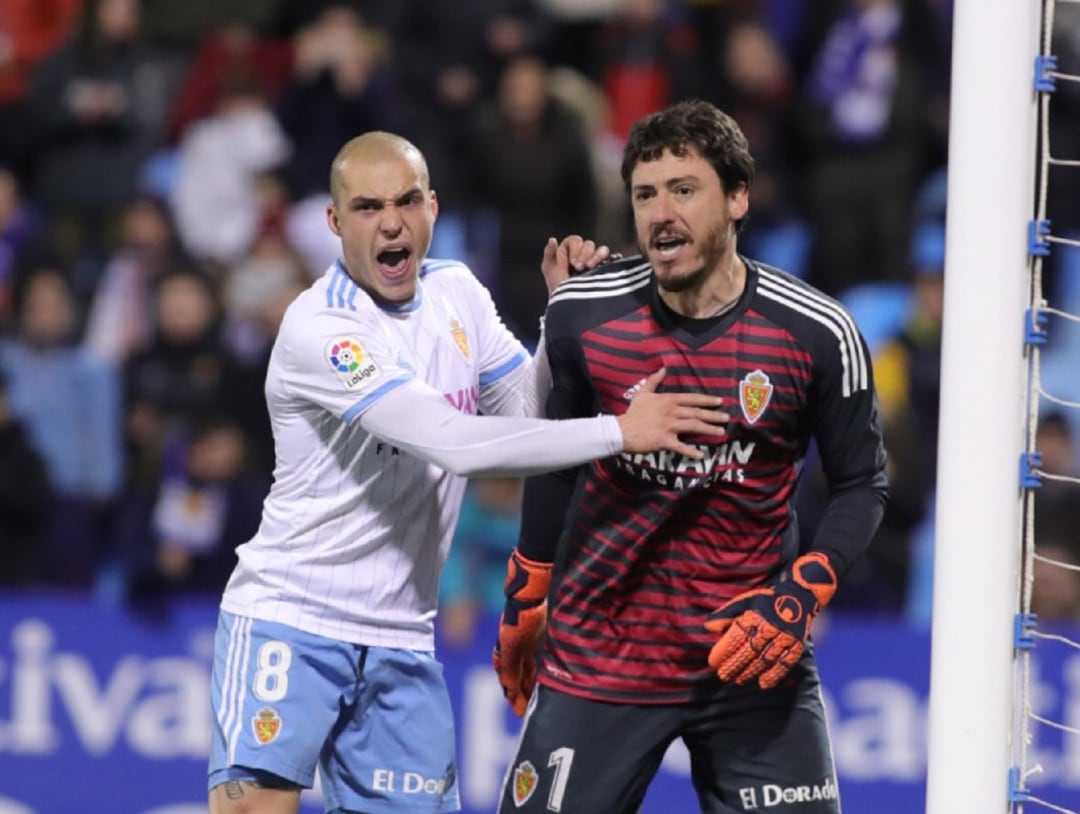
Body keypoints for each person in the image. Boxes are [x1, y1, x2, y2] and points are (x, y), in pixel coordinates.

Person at [206, 130, 729, 814]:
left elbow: (527, 413)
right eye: (367, 208)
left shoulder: (457, 292)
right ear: (335, 223)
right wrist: (620, 432)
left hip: (400, 632)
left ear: (433, 207)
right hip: (291, 616)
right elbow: (453, 443)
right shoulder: (323, 330)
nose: (391, 222)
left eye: (407, 201)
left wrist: (562, 319)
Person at [493, 100, 889, 813]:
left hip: (750, 657)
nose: (660, 213)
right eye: (645, 195)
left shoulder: (817, 332)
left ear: (738, 198)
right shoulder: (584, 313)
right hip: (601, 655)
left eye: (683, 189)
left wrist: (803, 591)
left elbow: (862, 483)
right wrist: (529, 587)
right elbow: (556, 458)